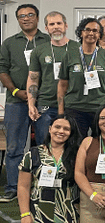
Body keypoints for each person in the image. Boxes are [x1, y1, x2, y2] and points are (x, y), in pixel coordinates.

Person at [15, 114, 82, 223]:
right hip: (37, 217)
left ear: (71, 133)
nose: (61, 131)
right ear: (50, 128)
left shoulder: (76, 155)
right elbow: (23, 186)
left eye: (66, 129)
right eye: (57, 127)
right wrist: (25, 215)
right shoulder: (33, 154)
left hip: (67, 218)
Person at [0, 4, 50, 202]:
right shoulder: (9, 43)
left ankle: (43, 186)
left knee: (45, 146)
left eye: (30, 15)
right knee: (14, 147)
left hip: (44, 101)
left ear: (37, 18)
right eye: (21, 16)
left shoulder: (49, 41)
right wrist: (15, 91)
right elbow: (2, 70)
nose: (26, 18)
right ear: (17, 20)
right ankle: (13, 187)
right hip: (16, 102)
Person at [57, 18, 105, 138]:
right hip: (74, 107)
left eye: (95, 31)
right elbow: (62, 84)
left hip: (100, 108)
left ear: (99, 34)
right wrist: (60, 112)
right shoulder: (69, 55)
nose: (91, 33)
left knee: (100, 142)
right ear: (81, 33)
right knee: (76, 144)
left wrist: (104, 91)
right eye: (87, 30)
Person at [27, 11, 78, 148]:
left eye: (59, 23)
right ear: (46, 28)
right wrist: (31, 104)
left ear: (66, 25)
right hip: (46, 105)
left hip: (73, 105)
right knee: (44, 146)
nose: (56, 27)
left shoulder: (78, 48)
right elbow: (33, 79)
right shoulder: (39, 51)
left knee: (72, 147)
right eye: (52, 24)